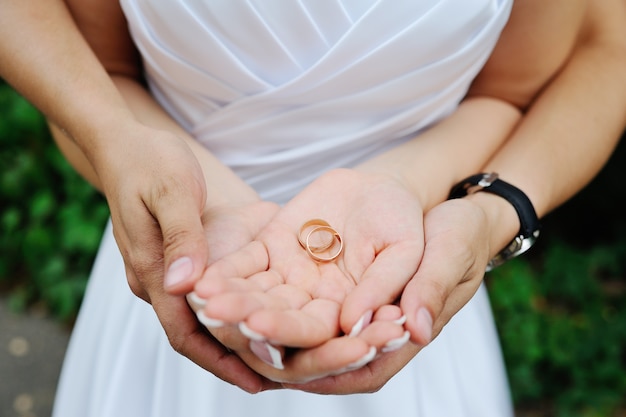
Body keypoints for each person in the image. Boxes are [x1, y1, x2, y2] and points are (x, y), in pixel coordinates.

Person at [0, 1, 624, 416]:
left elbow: (524, 84)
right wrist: (116, 141)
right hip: (185, 245)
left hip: (400, 266)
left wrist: (487, 212)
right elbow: (103, 70)